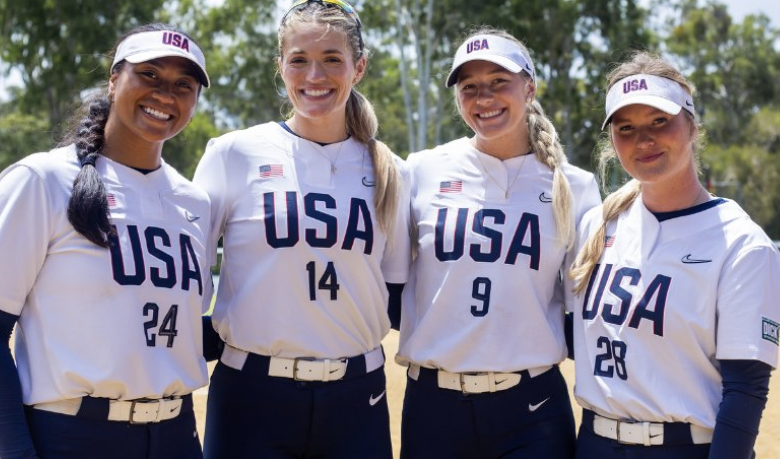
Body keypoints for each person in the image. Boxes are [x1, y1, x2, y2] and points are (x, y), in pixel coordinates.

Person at [192, 0, 410, 458]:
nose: (315, 76)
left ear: (359, 68)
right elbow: (186, 274)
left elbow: (391, 294)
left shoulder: (391, 170)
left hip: (358, 397)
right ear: (281, 66)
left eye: (333, 59)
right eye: (299, 60)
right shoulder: (233, 154)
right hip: (250, 395)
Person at [0, 23, 212, 459]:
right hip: (71, 435)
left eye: (183, 85)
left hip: (177, 435)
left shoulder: (195, 201)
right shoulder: (42, 180)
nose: (165, 95)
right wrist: (15, 450)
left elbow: (173, 333)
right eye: (149, 75)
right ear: (114, 80)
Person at [395, 27, 601, 459]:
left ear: (529, 87)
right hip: (434, 403)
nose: (483, 98)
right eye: (469, 87)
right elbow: (390, 284)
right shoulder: (422, 171)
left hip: (533, 406)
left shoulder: (575, 186)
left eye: (498, 82)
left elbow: (583, 310)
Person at [567, 51, 780, 459]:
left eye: (659, 121)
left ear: (692, 126)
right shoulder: (596, 225)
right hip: (594, 442)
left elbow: (746, 389)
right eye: (626, 128)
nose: (643, 140)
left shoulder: (740, 243)